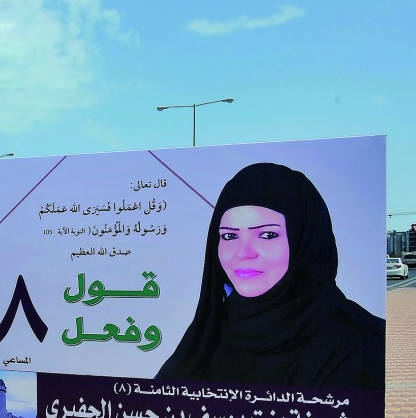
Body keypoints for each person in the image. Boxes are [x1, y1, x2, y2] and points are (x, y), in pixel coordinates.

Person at [154, 162, 385, 389]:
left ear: (304, 240)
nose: (243, 253)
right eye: (230, 236)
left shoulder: (357, 345)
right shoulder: (210, 333)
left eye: (266, 235)